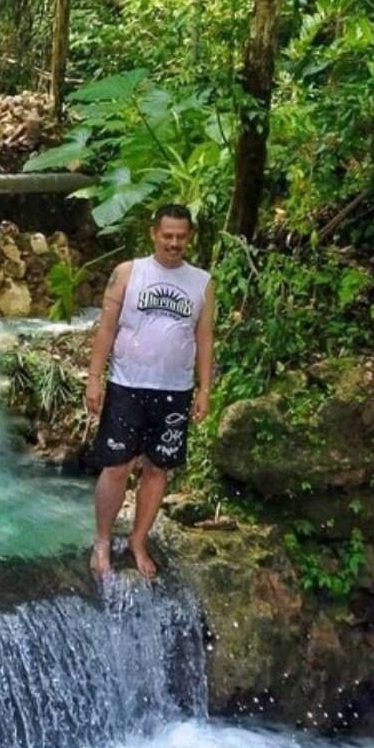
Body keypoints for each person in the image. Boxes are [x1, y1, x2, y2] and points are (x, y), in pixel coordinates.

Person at [85, 204, 215, 579]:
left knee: (158, 469)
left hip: (174, 391)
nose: (174, 243)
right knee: (117, 466)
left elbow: (204, 339)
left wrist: (205, 389)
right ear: (154, 233)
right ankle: (103, 541)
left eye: (181, 237)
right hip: (127, 384)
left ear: (189, 238)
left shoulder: (202, 282)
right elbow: (106, 329)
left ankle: (138, 541)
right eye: (167, 235)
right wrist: (94, 378)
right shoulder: (128, 273)